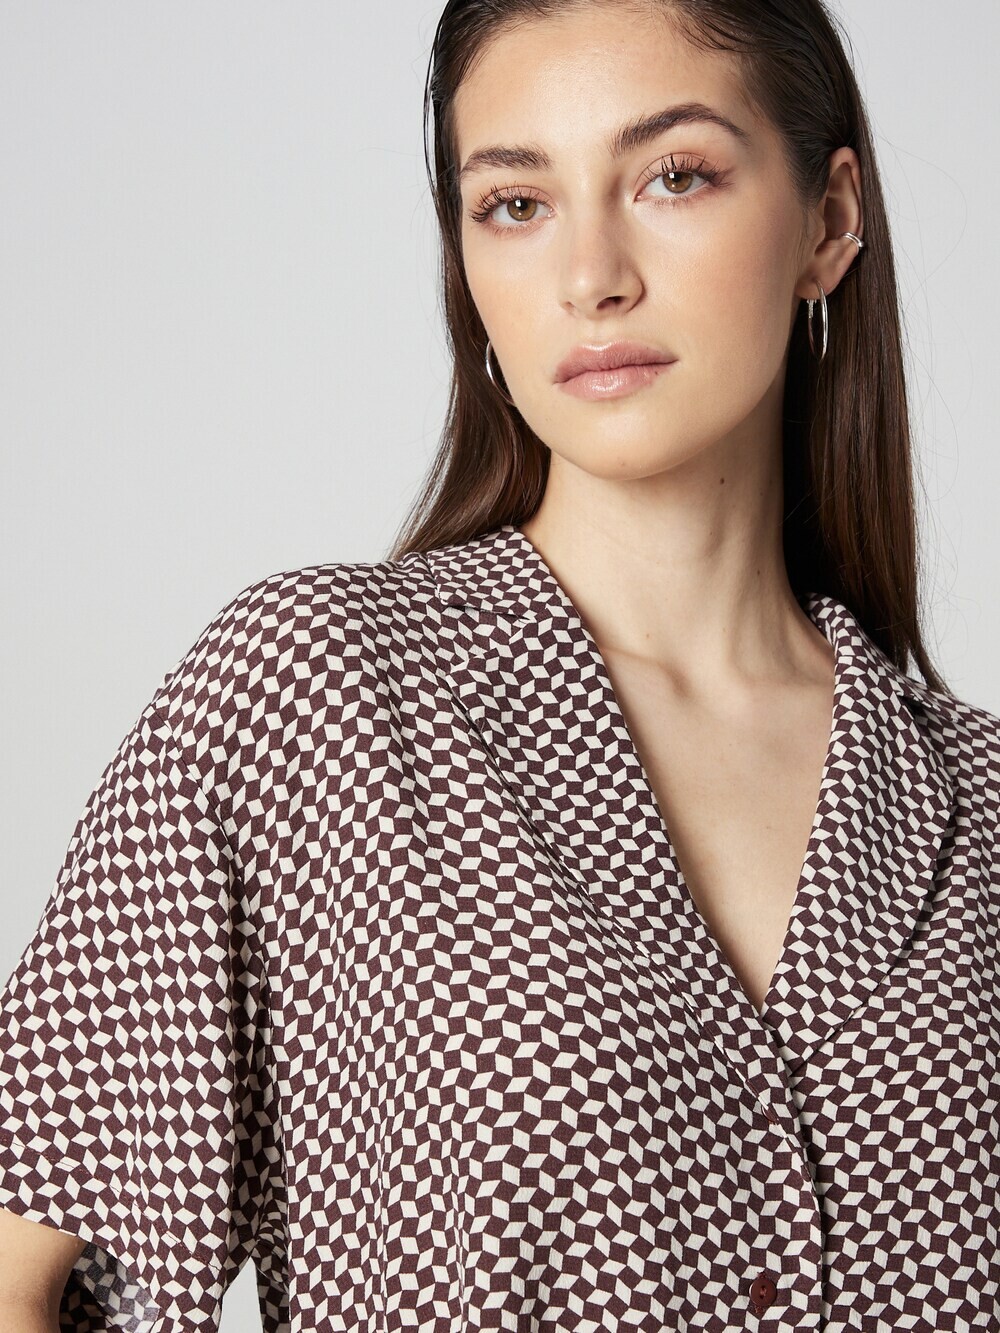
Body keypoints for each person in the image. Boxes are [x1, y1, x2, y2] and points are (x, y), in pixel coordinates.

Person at [1, 0, 997, 1329]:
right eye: (516, 205)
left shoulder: (980, 805)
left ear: (828, 219)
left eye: (674, 176)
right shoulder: (310, 699)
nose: (591, 275)